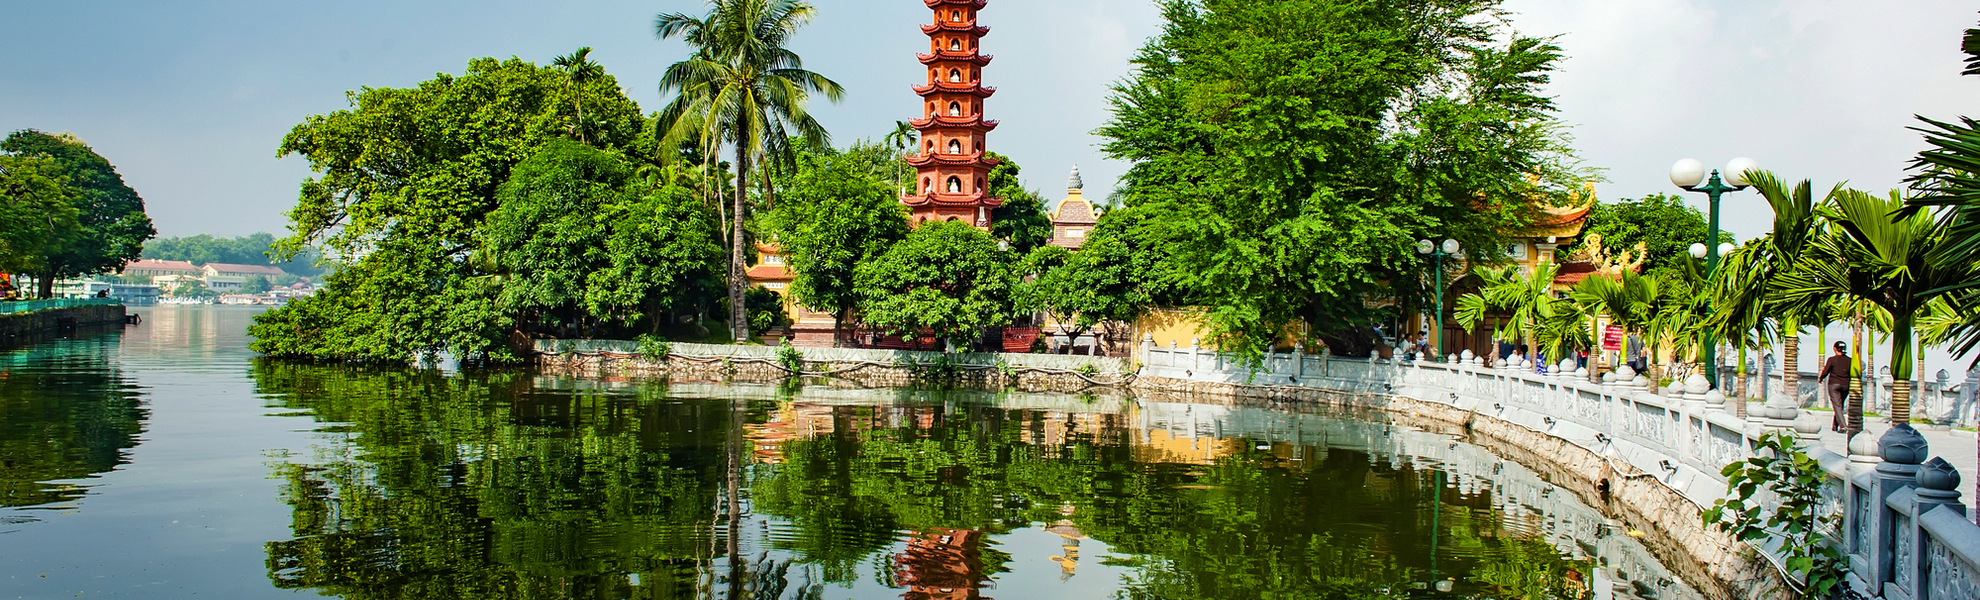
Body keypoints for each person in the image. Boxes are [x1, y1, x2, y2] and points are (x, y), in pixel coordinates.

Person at [1818, 341, 1852, 432]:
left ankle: (1843, 426)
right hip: (1846, 385)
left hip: (1834, 384)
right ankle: (1834, 426)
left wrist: (1821, 378)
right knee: (1840, 405)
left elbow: (1825, 371)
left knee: (1837, 405)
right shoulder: (1850, 360)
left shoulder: (1832, 359)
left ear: (1835, 349)